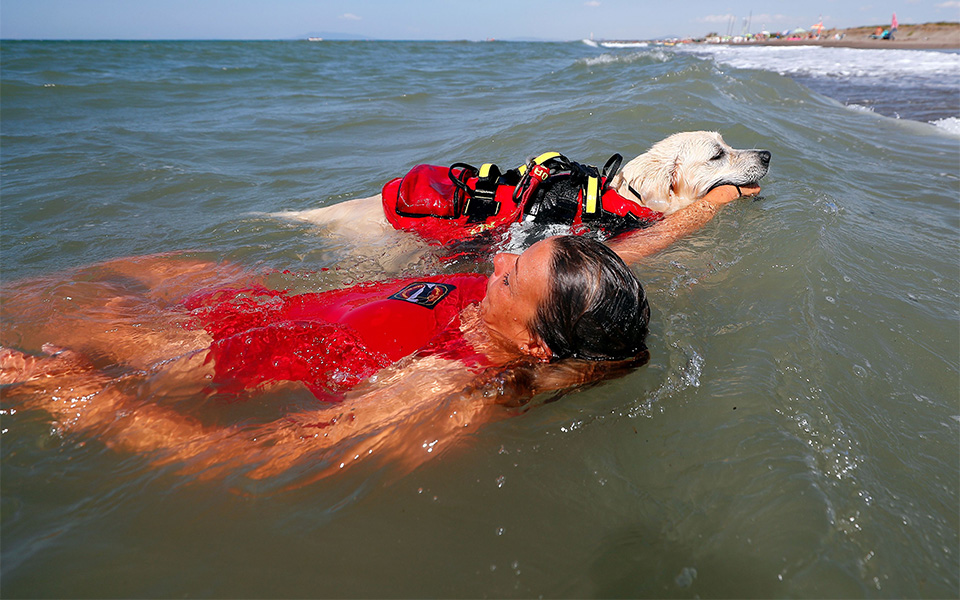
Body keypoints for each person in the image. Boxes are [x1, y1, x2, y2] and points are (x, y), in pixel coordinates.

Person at [1, 235, 650, 487]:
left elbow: (248, 458)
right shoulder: (559, 307)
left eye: (512, 276)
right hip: (246, 299)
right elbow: (628, 260)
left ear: (539, 345)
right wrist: (710, 206)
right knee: (102, 265)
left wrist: (80, 395)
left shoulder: (441, 387)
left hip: (195, 347)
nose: (500, 260)